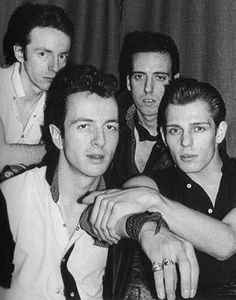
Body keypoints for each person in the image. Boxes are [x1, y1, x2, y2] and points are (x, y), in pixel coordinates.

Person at [0, 65, 198, 300]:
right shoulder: (12, 196)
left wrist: (148, 229)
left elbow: (119, 219)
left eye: (110, 127)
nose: (100, 141)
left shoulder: (126, 196)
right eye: (84, 126)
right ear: (57, 136)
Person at [91, 78, 236, 299]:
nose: (186, 142)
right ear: (163, 137)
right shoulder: (158, 183)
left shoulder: (152, 195)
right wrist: (145, 228)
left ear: (219, 132)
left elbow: (226, 242)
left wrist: (153, 202)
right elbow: (109, 204)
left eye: (198, 128)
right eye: (175, 130)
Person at [0, 2, 74, 175]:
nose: (55, 67)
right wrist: (54, 149)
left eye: (62, 56)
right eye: (43, 54)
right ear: (20, 53)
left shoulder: (65, 101)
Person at [105, 31, 180, 187]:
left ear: (175, 82)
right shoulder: (106, 119)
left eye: (159, 77)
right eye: (139, 76)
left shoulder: (195, 132)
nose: (148, 89)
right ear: (128, 82)